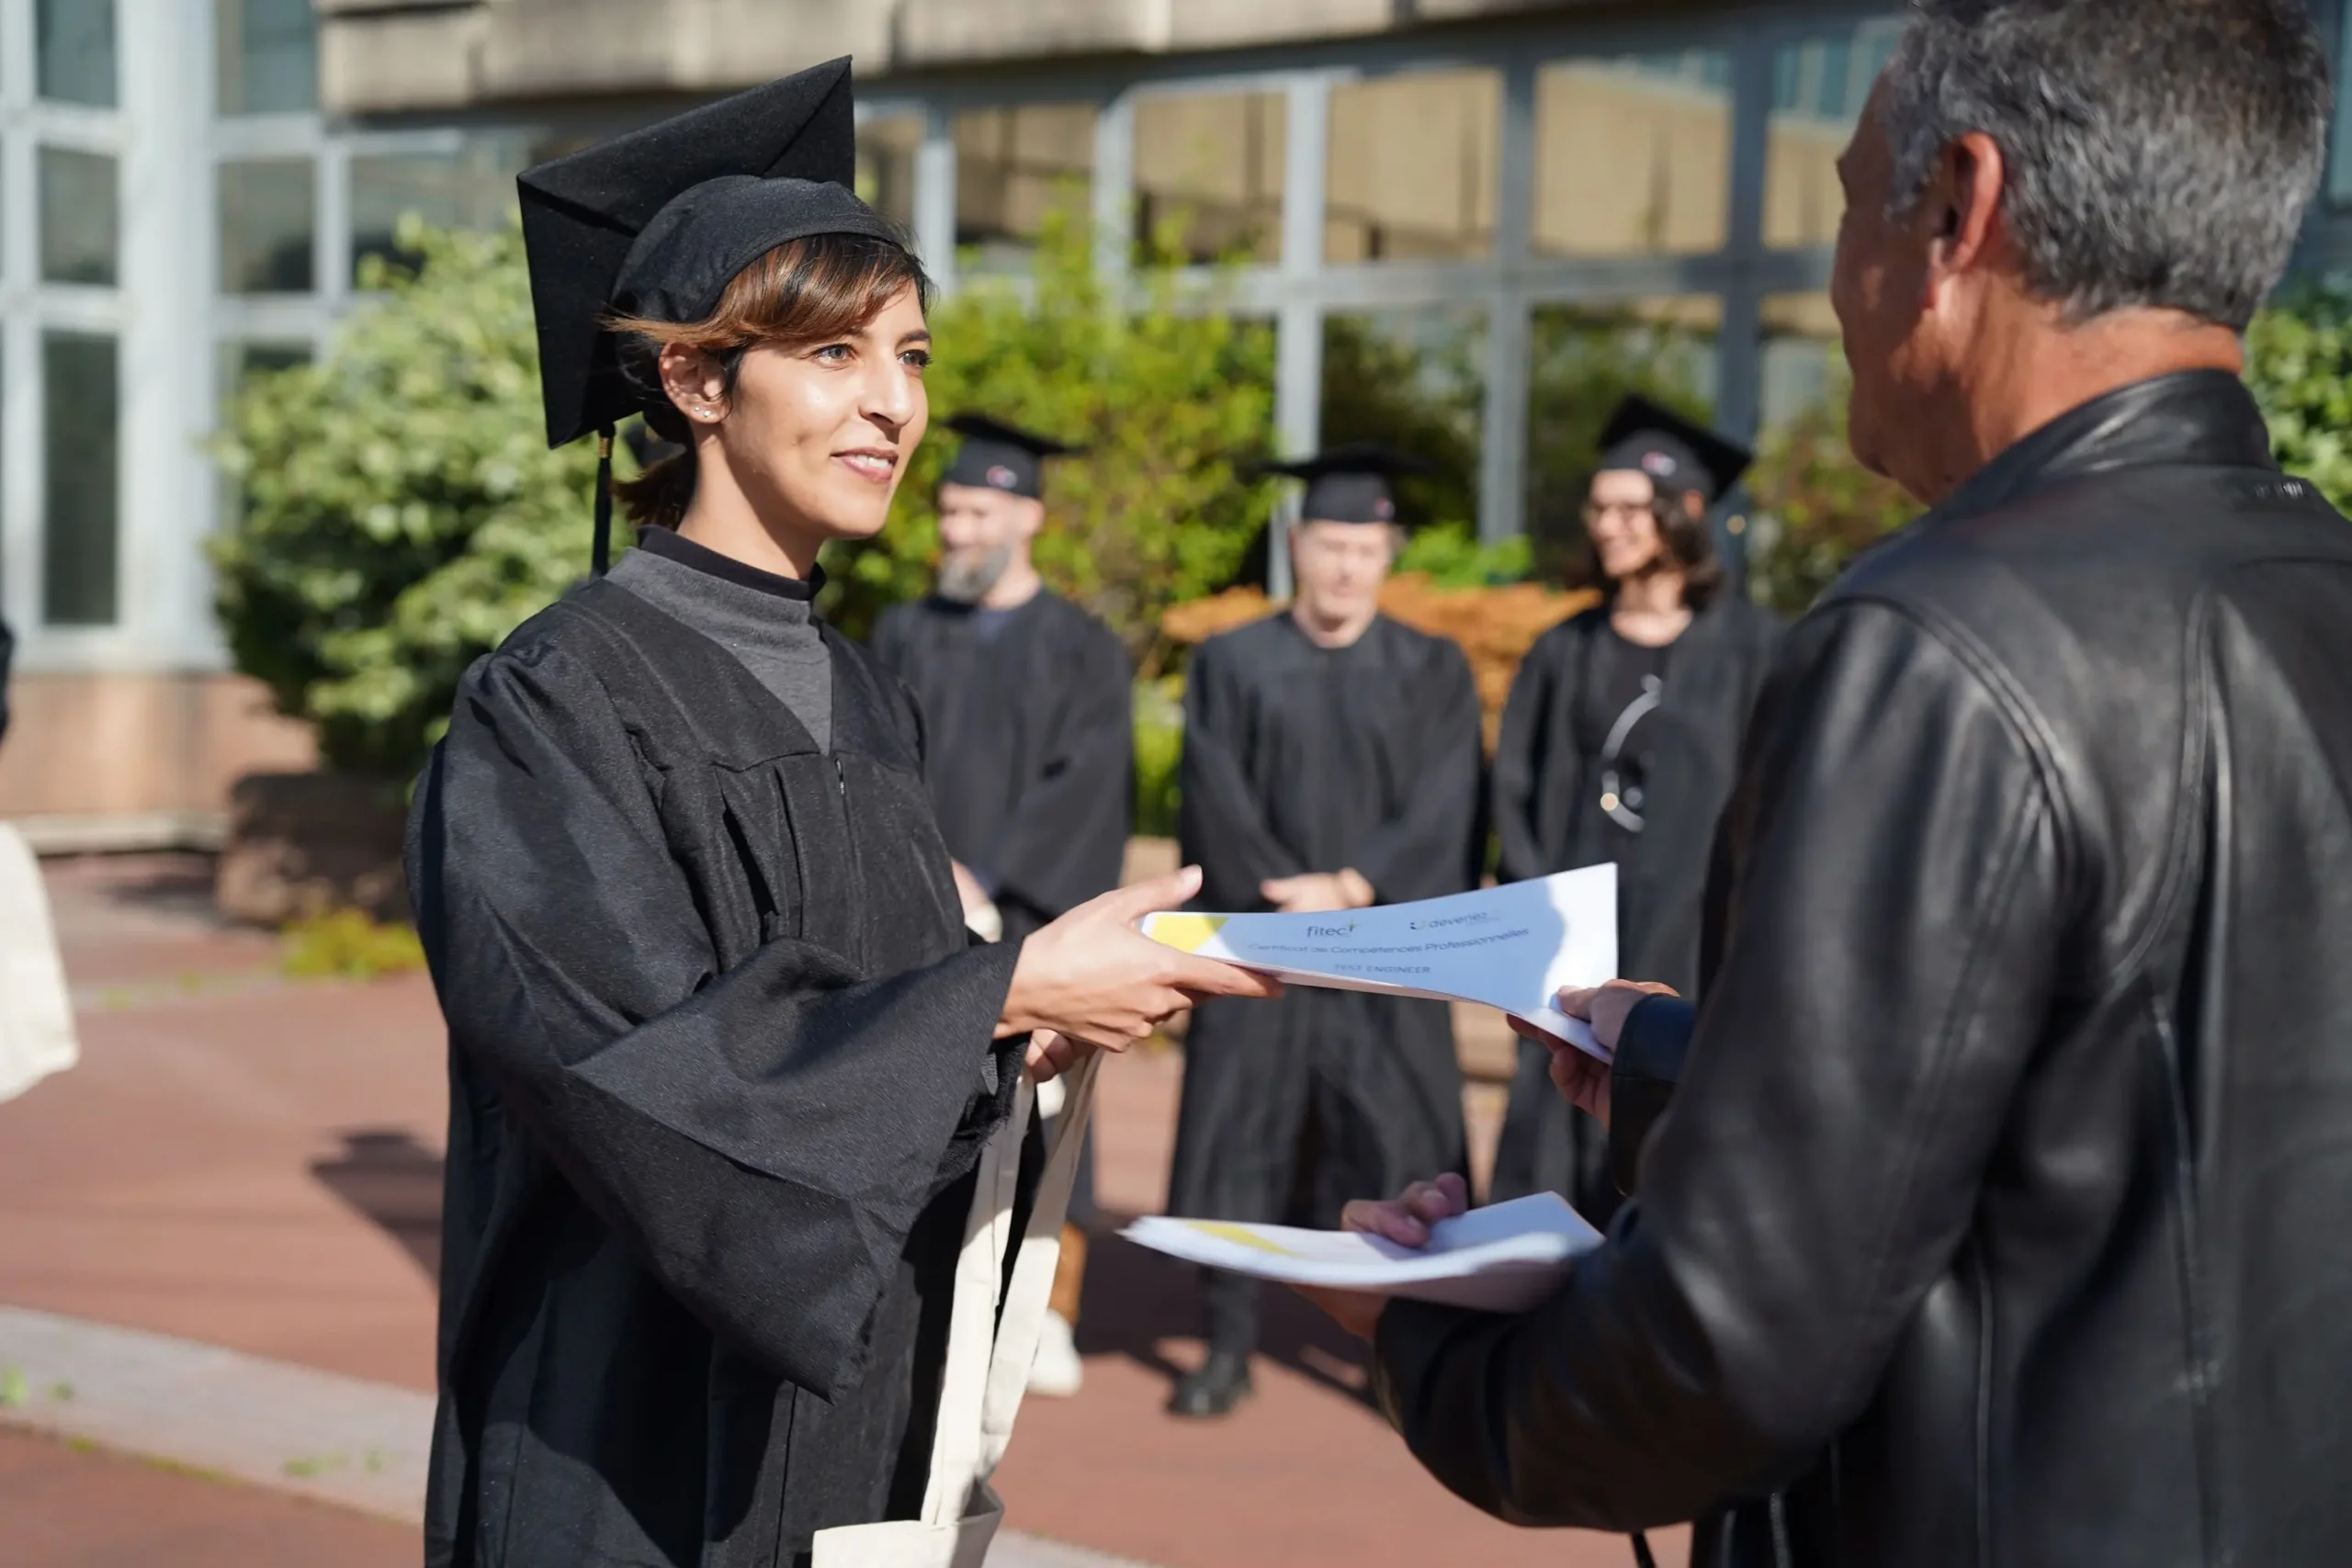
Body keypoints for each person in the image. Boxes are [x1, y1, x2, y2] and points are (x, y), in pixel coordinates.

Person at [1317, 3, 2352, 1563]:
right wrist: (1675, 1057)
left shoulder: (1936, 645)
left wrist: (1426, 1334)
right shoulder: (2317, 582)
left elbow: (1727, 1346)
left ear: (1957, 212)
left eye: (1852, 202)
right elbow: (2125, 1108)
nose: (1835, 280)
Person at [405, 61, 1274, 1568]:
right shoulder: (552, 700)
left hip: (855, 1405)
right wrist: (998, 993)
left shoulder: (867, 697)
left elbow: (883, 1029)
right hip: (630, 1425)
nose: (895, 403)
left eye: (912, 354)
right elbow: (639, 1075)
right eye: (832, 353)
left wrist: (1016, 1037)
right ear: (695, 382)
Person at [1164, 445, 1484, 1418]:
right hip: (1264, 946)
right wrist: (1286, 891)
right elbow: (1212, 790)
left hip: (1384, 951)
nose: (1346, 567)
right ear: (1298, 546)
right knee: (1236, 1143)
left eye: (1364, 549)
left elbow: (1448, 801)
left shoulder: (1433, 670)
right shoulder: (1231, 662)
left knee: (1396, 1143)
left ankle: (1397, 1350)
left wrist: (1352, 883)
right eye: (1330, 546)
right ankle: (1225, 1342)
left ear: (1389, 553)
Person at [871, 412, 1134, 1398]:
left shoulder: (1084, 650)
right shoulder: (903, 632)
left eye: (978, 513)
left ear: (1028, 517)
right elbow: (876, 762)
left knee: (1047, 1102)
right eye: (949, 511)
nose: (958, 530)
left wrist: (989, 878)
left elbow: (1086, 787)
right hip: (918, 912)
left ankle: (1048, 1308)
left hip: (1033, 915)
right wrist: (924, 868)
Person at [1487, 399, 1780, 1223]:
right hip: (1576, 950)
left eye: (1629, 508)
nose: (1607, 525)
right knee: (1554, 1127)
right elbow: (1516, 790)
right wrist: (1539, 910)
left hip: (1698, 943)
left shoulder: (1759, 649)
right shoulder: (1564, 650)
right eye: (1599, 507)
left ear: (1684, 510)